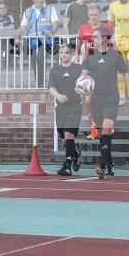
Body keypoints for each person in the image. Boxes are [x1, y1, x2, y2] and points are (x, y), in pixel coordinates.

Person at [80, 27, 129, 179]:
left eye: (95, 37)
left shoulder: (115, 55)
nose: (93, 39)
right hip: (96, 99)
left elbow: (126, 74)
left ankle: (101, 166)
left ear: (103, 38)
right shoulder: (89, 57)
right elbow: (84, 77)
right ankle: (109, 163)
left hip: (111, 98)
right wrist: (83, 90)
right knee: (101, 133)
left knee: (107, 128)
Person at [49, 43, 84, 176]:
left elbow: (85, 84)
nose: (64, 55)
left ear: (71, 54)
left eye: (67, 53)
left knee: (69, 134)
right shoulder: (55, 70)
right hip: (61, 108)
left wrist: (80, 89)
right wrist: (58, 95)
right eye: (62, 53)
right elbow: (51, 87)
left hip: (74, 106)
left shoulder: (78, 69)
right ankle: (75, 154)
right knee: (64, 138)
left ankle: (67, 164)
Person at [20, 0, 60, 88]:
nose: (41, 0)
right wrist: (17, 36)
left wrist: (51, 32)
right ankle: (39, 81)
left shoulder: (51, 9)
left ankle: (40, 83)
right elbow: (22, 27)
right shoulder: (28, 11)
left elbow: (55, 24)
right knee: (34, 60)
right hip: (32, 41)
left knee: (40, 57)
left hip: (46, 41)